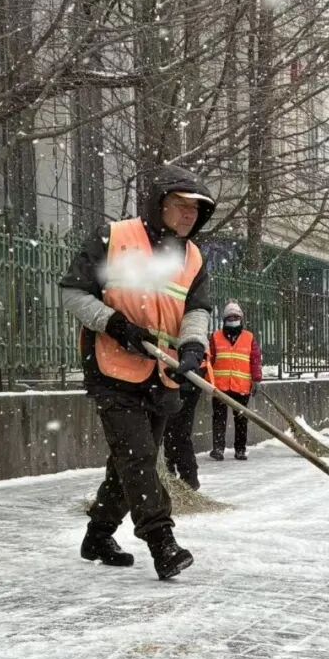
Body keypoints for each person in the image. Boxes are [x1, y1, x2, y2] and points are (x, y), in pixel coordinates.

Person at [60, 165, 215, 580]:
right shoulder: (114, 238)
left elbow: (197, 309)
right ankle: (162, 541)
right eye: (180, 206)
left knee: (127, 464)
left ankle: (98, 535)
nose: (189, 215)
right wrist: (116, 325)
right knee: (139, 458)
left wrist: (193, 346)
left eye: (196, 210)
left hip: (161, 373)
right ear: (158, 203)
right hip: (112, 369)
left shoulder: (192, 257)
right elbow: (73, 292)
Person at [209, 301, 263, 461]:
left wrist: (256, 379)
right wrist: (205, 379)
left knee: (241, 419)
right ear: (224, 320)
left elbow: (255, 360)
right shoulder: (216, 337)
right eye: (230, 317)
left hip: (241, 386)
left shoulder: (249, 337)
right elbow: (209, 359)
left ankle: (240, 449)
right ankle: (218, 449)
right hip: (220, 386)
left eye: (236, 317)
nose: (233, 320)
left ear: (241, 319)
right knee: (219, 418)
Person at [163, 352, 210, 489]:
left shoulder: (192, 346)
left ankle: (182, 478)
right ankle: (184, 478)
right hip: (186, 376)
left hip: (184, 377)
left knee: (174, 431)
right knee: (176, 432)